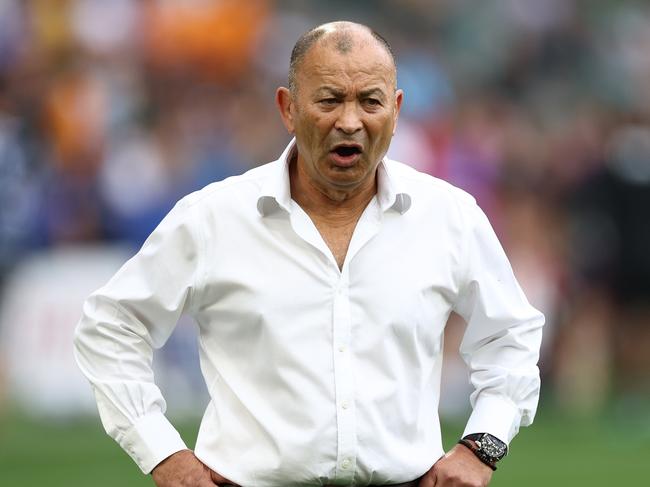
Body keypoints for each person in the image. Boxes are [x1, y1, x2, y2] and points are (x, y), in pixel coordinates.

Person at [74, 21, 544, 487]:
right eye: (329, 99)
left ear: (396, 110)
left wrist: (482, 446)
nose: (350, 121)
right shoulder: (213, 217)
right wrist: (165, 455)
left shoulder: (449, 216)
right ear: (288, 108)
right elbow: (110, 327)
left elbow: (511, 336)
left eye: (370, 101)